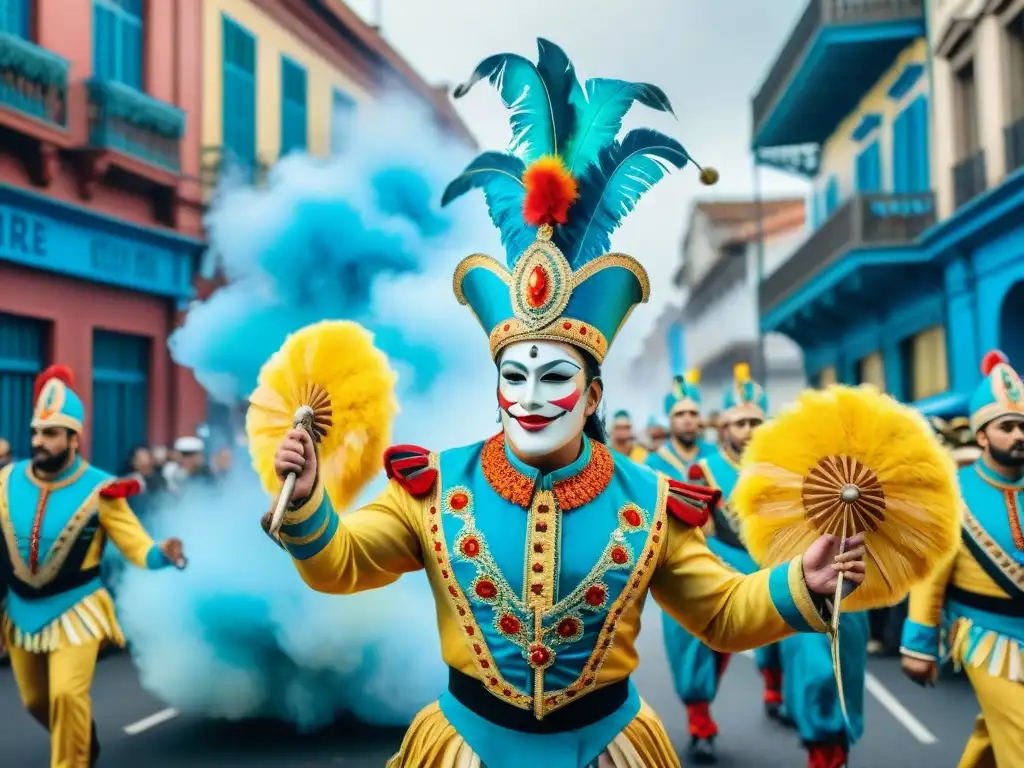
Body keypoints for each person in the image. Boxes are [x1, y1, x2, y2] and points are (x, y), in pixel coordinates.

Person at [263, 39, 867, 768]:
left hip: (607, 749)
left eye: (554, 378)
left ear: (593, 394)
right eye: (515, 377)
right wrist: (303, 501)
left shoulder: (651, 500)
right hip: (469, 749)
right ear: (495, 387)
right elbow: (340, 563)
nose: (531, 397)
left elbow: (721, 613)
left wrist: (800, 583)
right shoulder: (432, 486)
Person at [0, 365, 186, 768]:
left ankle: (73, 759)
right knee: (36, 702)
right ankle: (80, 735)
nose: (39, 441)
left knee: (66, 695)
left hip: (76, 608)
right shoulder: (6, 480)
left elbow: (137, 546)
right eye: (35, 432)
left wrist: (162, 555)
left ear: (73, 438)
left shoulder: (102, 489)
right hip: (19, 610)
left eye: (50, 434)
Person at [687, 364, 867, 768]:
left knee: (819, 664)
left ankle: (822, 747)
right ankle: (700, 723)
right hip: (731, 566)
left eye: (755, 421)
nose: (748, 428)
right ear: (724, 428)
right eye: (740, 422)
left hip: (791, 569)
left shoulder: (790, 465)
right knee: (705, 641)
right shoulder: (705, 471)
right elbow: (705, 531)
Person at [900, 350, 1024, 768]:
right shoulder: (952, 492)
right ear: (982, 435)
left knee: (998, 731)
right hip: (983, 635)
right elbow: (930, 573)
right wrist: (919, 645)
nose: (1019, 436)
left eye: (1023, 426)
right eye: (1007, 427)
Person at [644, 369, 722, 762]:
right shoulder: (652, 463)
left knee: (731, 633)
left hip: (725, 562)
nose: (688, 420)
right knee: (687, 647)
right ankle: (700, 722)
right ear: (670, 421)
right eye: (681, 414)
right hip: (674, 566)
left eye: (694, 413)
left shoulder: (716, 460)